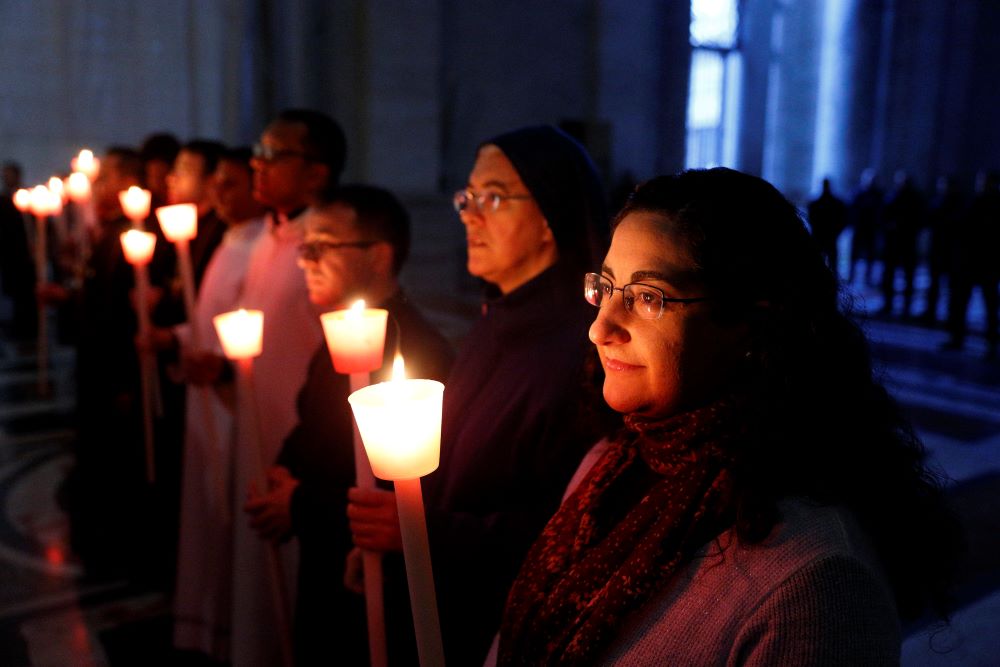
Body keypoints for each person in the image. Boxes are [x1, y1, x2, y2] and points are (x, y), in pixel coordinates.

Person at [493, 168, 961, 665]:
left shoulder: (815, 585)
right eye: (606, 287)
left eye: (648, 297)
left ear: (749, 324)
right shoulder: (609, 462)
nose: (600, 328)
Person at [347, 125, 610, 666]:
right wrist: (400, 539)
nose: (468, 214)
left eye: (493, 197)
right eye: (467, 197)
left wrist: (426, 534)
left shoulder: (584, 350)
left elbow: (569, 526)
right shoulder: (498, 320)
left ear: (548, 218)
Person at [244, 185, 454, 665]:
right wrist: (282, 469)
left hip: (366, 578)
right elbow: (313, 425)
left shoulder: (412, 351)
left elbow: (397, 492)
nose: (304, 261)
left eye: (321, 246)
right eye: (304, 248)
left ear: (378, 256)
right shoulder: (344, 332)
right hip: (322, 555)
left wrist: (296, 503)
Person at [231, 108, 347, 667]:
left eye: (275, 153)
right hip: (269, 441)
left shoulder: (324, 248)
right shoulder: (265, 237)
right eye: (260, 149)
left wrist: (299, 465)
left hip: (308, 453)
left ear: (317, 173)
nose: (259, 162)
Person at [171, 147, 267, 662]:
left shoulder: (265, 245)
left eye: (231, 183)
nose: (218, 194)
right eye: (219, 183)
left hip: (238, 404)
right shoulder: (231, 239)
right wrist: (182, 339)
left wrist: (224, 365)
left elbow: (255, 324)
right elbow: (211, 317)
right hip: (209, 393)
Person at [944, 170, 1000, 357]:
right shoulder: (973, 202)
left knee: (989, 305)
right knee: (963, 302)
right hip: (970, 263)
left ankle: (990, 343)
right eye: (980, 181)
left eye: (985, 181)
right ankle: (958, 338)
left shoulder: (991, 205)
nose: (981, 184)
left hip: (986, 263)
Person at [879, 170, 925, 317]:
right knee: (890, 275)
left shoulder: (914, 199)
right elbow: (883, 216)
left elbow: (920, 220)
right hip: (894, 243)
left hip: (907, 243)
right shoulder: (892, 197)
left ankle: (905, 307)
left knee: (907, 276)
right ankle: (888, 304)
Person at [807, 177, 847, 274]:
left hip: (821, 236)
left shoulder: (814, 203)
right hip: (830, 236)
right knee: (831, 262)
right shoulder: (837, 203)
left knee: (820, 261)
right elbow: (842, 220)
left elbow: (811, 220)